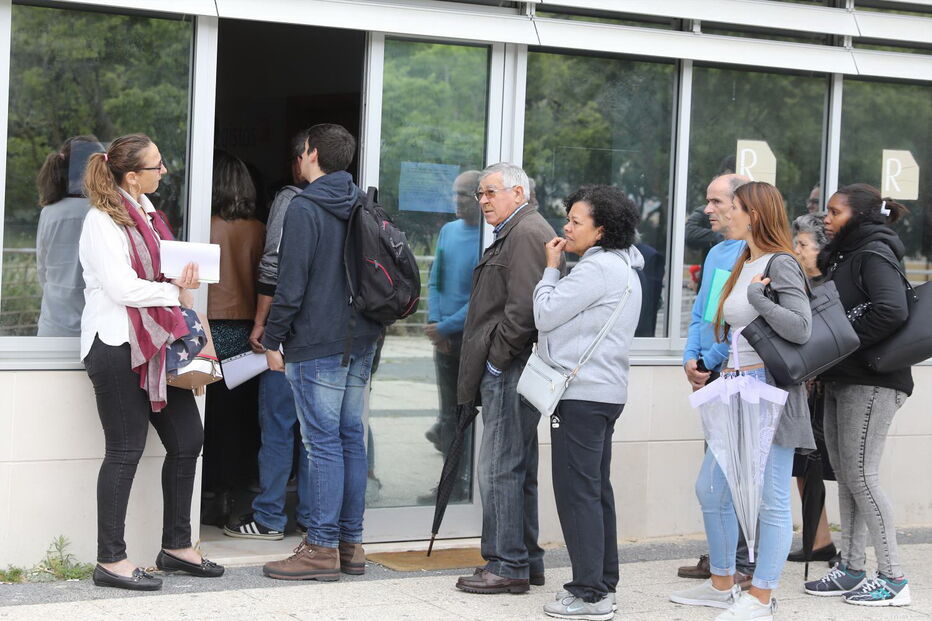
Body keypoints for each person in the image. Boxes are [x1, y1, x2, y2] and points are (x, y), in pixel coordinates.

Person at [79, 133, 224, 591]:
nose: (164, 172)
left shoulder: (148, 214)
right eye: (156, 165)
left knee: (188, 439)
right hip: (115, 344)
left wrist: (181, 281)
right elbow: (122, 288)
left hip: (157, 345)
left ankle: (177, 546)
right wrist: (174, 292)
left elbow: (158, 270)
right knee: (125, 450)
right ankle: (110, 560)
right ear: (131, 174)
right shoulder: (102, 219)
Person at [671, 181, 814, 621]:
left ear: (752, 214)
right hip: (735, 391)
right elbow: (720, 324)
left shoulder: (780, 263)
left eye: (730, 207)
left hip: (770, 396)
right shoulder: (742, 260)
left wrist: (757, 298)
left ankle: (763, 596)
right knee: (712, 487)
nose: (721, 214)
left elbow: (801, 327)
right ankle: (723, 584)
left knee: (771, 498)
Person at [260, 124, 381, 582]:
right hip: (361, 339)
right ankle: (351, 545)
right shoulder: (362, 203)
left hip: (317, 343)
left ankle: (321, 547)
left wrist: (272, 338)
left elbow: (291, 287)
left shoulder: (304, 207)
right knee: (350, 438)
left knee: (322, 444)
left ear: (310, 153)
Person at [533, 185, 643, 620]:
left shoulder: (596, 271)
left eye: (577, 221)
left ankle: (589, 594)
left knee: (577, 493)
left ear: (601, 230)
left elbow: (543, 314)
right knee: (595, 492)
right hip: (605, 392)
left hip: (581, 396)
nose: (567, 226)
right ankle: (602, 585)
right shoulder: (627, 267)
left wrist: (550, 269)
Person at [454, 162, 560, 595]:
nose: (483, 201)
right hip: (507, 365)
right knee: (514, 465)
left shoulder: (528, 232)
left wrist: (497, 360)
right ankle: (525, 560)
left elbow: (525, 309)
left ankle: (507, 563)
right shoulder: (517, 231)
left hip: (511, 367)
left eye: (491, 192)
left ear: (518, 193)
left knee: (499, 467)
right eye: (480, 194)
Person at [804, 183, 912, 606]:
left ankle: (894, 579)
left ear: (861, 216)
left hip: (872, 381)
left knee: (863, 477)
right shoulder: (846, 256)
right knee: (848, 477)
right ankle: (851, 569)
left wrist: (841, 345)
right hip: (842, 378)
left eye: (834, 212)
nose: (826, 219)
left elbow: (892, 310)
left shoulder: (874, 253)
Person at [226, 130, 311, 540]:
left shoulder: (291, 200)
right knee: (318, 433)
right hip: (329, 337)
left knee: (277, 424)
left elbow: (272, 267)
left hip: (287, 331)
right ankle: (316, 522)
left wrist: (262, 325)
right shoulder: (354, 203)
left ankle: (270, 518)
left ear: (302, 160)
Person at [679, 173, 752, 586]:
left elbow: (739, 324)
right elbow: (703, 314)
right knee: (716, 472)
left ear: (741, 205)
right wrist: (691, 356)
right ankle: (723, 557)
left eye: (715, 202)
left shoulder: (752, 254)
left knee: (736, 471)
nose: (707, 210)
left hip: (734, 374)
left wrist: (710, 359)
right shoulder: (717, 253)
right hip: (710, 374)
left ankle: (742, 562)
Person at [201, 150, 265, 529]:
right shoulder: (259, 228)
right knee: (242, 419)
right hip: (248, 330)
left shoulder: (203, 226)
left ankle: (209, 493)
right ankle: (235, 495)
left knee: (210, 416)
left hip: (212, 328)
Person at [422, 169, 482, 502]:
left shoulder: (487, 238)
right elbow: (436, 279)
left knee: (464, 415)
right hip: (443, 336)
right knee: (447, 415)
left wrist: (445, 328)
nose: (456, 201)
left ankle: (464, 485)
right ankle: (449, 484)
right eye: (454, 194)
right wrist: (434, 322)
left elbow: (479, 298)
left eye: (463, 194)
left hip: (467, 338)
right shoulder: (448, 232)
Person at [786, 214, 837, 565]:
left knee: (832, 467)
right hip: (805, 388)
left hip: (828, 389)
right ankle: (818, 540)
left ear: (823, 249)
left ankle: (830, 545)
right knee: (803, 465)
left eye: (803, 245)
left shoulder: (833, 287)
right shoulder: (800, 284)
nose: (797, 250)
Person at [35, 135, 102, 336]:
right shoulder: (100, 213)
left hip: (52, 323)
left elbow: (42, 268)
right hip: (92, 328)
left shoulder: (49, 212)